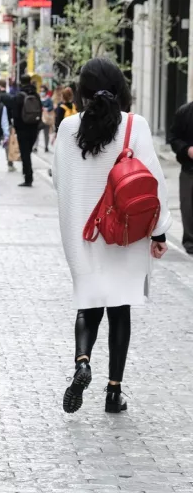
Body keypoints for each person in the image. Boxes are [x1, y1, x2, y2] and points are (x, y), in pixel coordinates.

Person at [52, 58, 171, 414]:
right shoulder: (136, 125)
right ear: (121, 88)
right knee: (120, 310)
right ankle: (113, 391)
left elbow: (59, 180)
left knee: (88, 304)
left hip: (82, 233)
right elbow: (154, 182)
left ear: (82, 91)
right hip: (125, 233)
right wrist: (160, 231)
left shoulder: (67, 127)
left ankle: (82, 363)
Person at [169, 102, 193, 255]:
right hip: (189, 168)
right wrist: (187, 149)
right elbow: (173, 137)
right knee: (188, 206)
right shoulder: (185, 112)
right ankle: (190, 242)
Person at [13, 75, 42, 187]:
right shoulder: (36, 95)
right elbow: (40, 110)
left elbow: (15, 114)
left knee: (25, 154)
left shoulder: (19, 96)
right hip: (34, 128)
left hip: (22, 129)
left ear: (21, 82)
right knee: (28, 152)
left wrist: (16, 128)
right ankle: (28, 174)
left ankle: (28, 177)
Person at [0, 79, 16, 172]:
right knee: (7, 143)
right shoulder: (9, 96)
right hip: (7, 122)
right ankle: (10, 163)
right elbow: (13, 110)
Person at [35, 85, 53, 153]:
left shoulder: (49, 99)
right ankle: (35, 146)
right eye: (41, 91)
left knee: (46, 133)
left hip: (46, 118)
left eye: (43, 91)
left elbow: (51, 107)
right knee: (37, 133)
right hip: (39, 119)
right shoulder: (38, 98)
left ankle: (46, 147)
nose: (42, 92)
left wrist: (46, 109)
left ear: (46, 92)